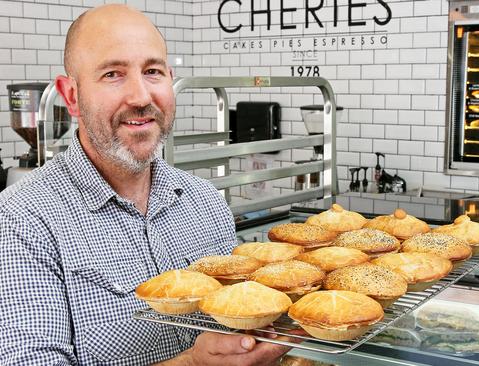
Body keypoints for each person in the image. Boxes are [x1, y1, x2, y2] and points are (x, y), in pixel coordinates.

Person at [0, 4, 294, 365]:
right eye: (113, 74)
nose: (140, 97)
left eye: (152, 71)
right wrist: (193, 363)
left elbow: (239, 320)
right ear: (72, 96)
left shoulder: (205, 201)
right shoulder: (22, 220)